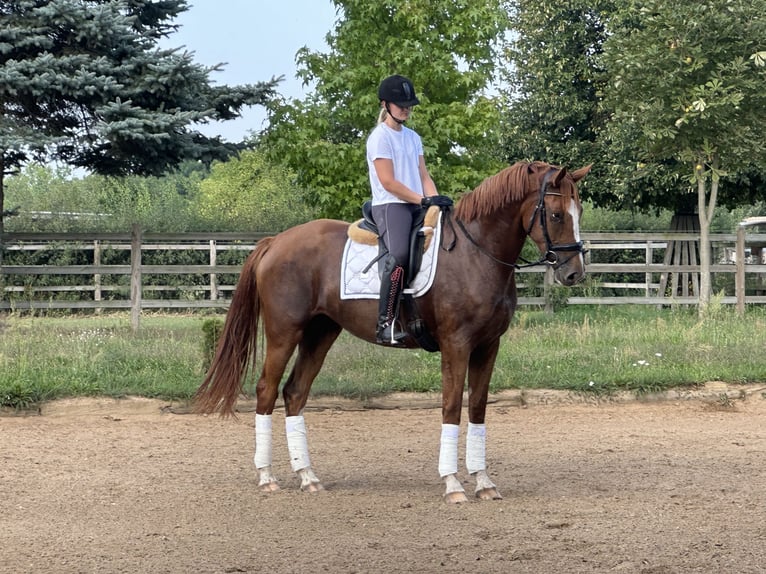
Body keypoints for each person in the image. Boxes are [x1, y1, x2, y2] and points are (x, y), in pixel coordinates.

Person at [366, 74, 452, 346]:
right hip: (391, 205)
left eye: (408, 104)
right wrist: (421, 200)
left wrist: (436, 199)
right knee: (400, 254)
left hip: (417, 203)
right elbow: (388, 181)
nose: (405, 108)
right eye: (400, 104)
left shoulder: (413, 137)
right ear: (385, 104)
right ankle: (385, 325)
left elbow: (424, 175)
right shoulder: (380, 138)